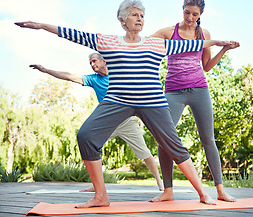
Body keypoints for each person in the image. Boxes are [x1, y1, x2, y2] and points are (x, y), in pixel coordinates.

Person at [15, 0, 236, 208]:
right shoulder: (107, 42)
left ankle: (203, 192)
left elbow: (189, 46)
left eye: (142, 15)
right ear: (122, 20)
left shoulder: (155, 43)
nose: (139, 19)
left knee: (173, 144)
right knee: (86, 136)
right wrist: (41, 25)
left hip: (152, 102)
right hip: (117, 100)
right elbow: (73, 34)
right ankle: (101, 195)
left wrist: (217, 42)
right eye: (134, 15)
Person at [29, 52, 164, 192]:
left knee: (144, 152)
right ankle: (96, 185)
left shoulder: (118, 75)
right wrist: (45, 70)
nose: (93, 65)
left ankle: (160, 182)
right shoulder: (93, 79)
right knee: (88, 145)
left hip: (127, 121)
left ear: (104, 61)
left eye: (94, 61)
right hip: (107, 122)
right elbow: (69, 76)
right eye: (90, 63)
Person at [151, 0, 240, 203]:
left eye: (195, 14)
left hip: (200, 90)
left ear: (201, 14)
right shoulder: (168, 32)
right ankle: (168, 190)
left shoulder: (204, 34)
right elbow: (143, 43)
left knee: (208, 139)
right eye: (187, 12)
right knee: (164, 140)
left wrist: (224, 49)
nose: (190, 17)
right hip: (173, 91)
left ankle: (220, 190)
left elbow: (207, 67)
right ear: (182, 9)